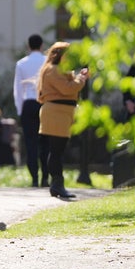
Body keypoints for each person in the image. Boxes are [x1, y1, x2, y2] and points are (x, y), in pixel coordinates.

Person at [37, 41, 90, 200]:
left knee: (57, 150)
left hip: (62, 113)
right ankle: (57, 184)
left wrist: (78, 76)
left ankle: (57, 184)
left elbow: (69, 87)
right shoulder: (52, 70)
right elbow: (68, 88)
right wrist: (81, 78)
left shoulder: (58, 70)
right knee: (56, 150)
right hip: (56, 112)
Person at [13, 34, 47, 187]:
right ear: (41, 46)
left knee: (30, 143)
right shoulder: (47, 62)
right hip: (44, 104)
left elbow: (18, 90)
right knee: (46, 142)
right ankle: (46, 176)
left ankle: (34, 177)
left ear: (28, 46)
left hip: (28, 104)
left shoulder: (21, 64)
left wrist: (20, 110)